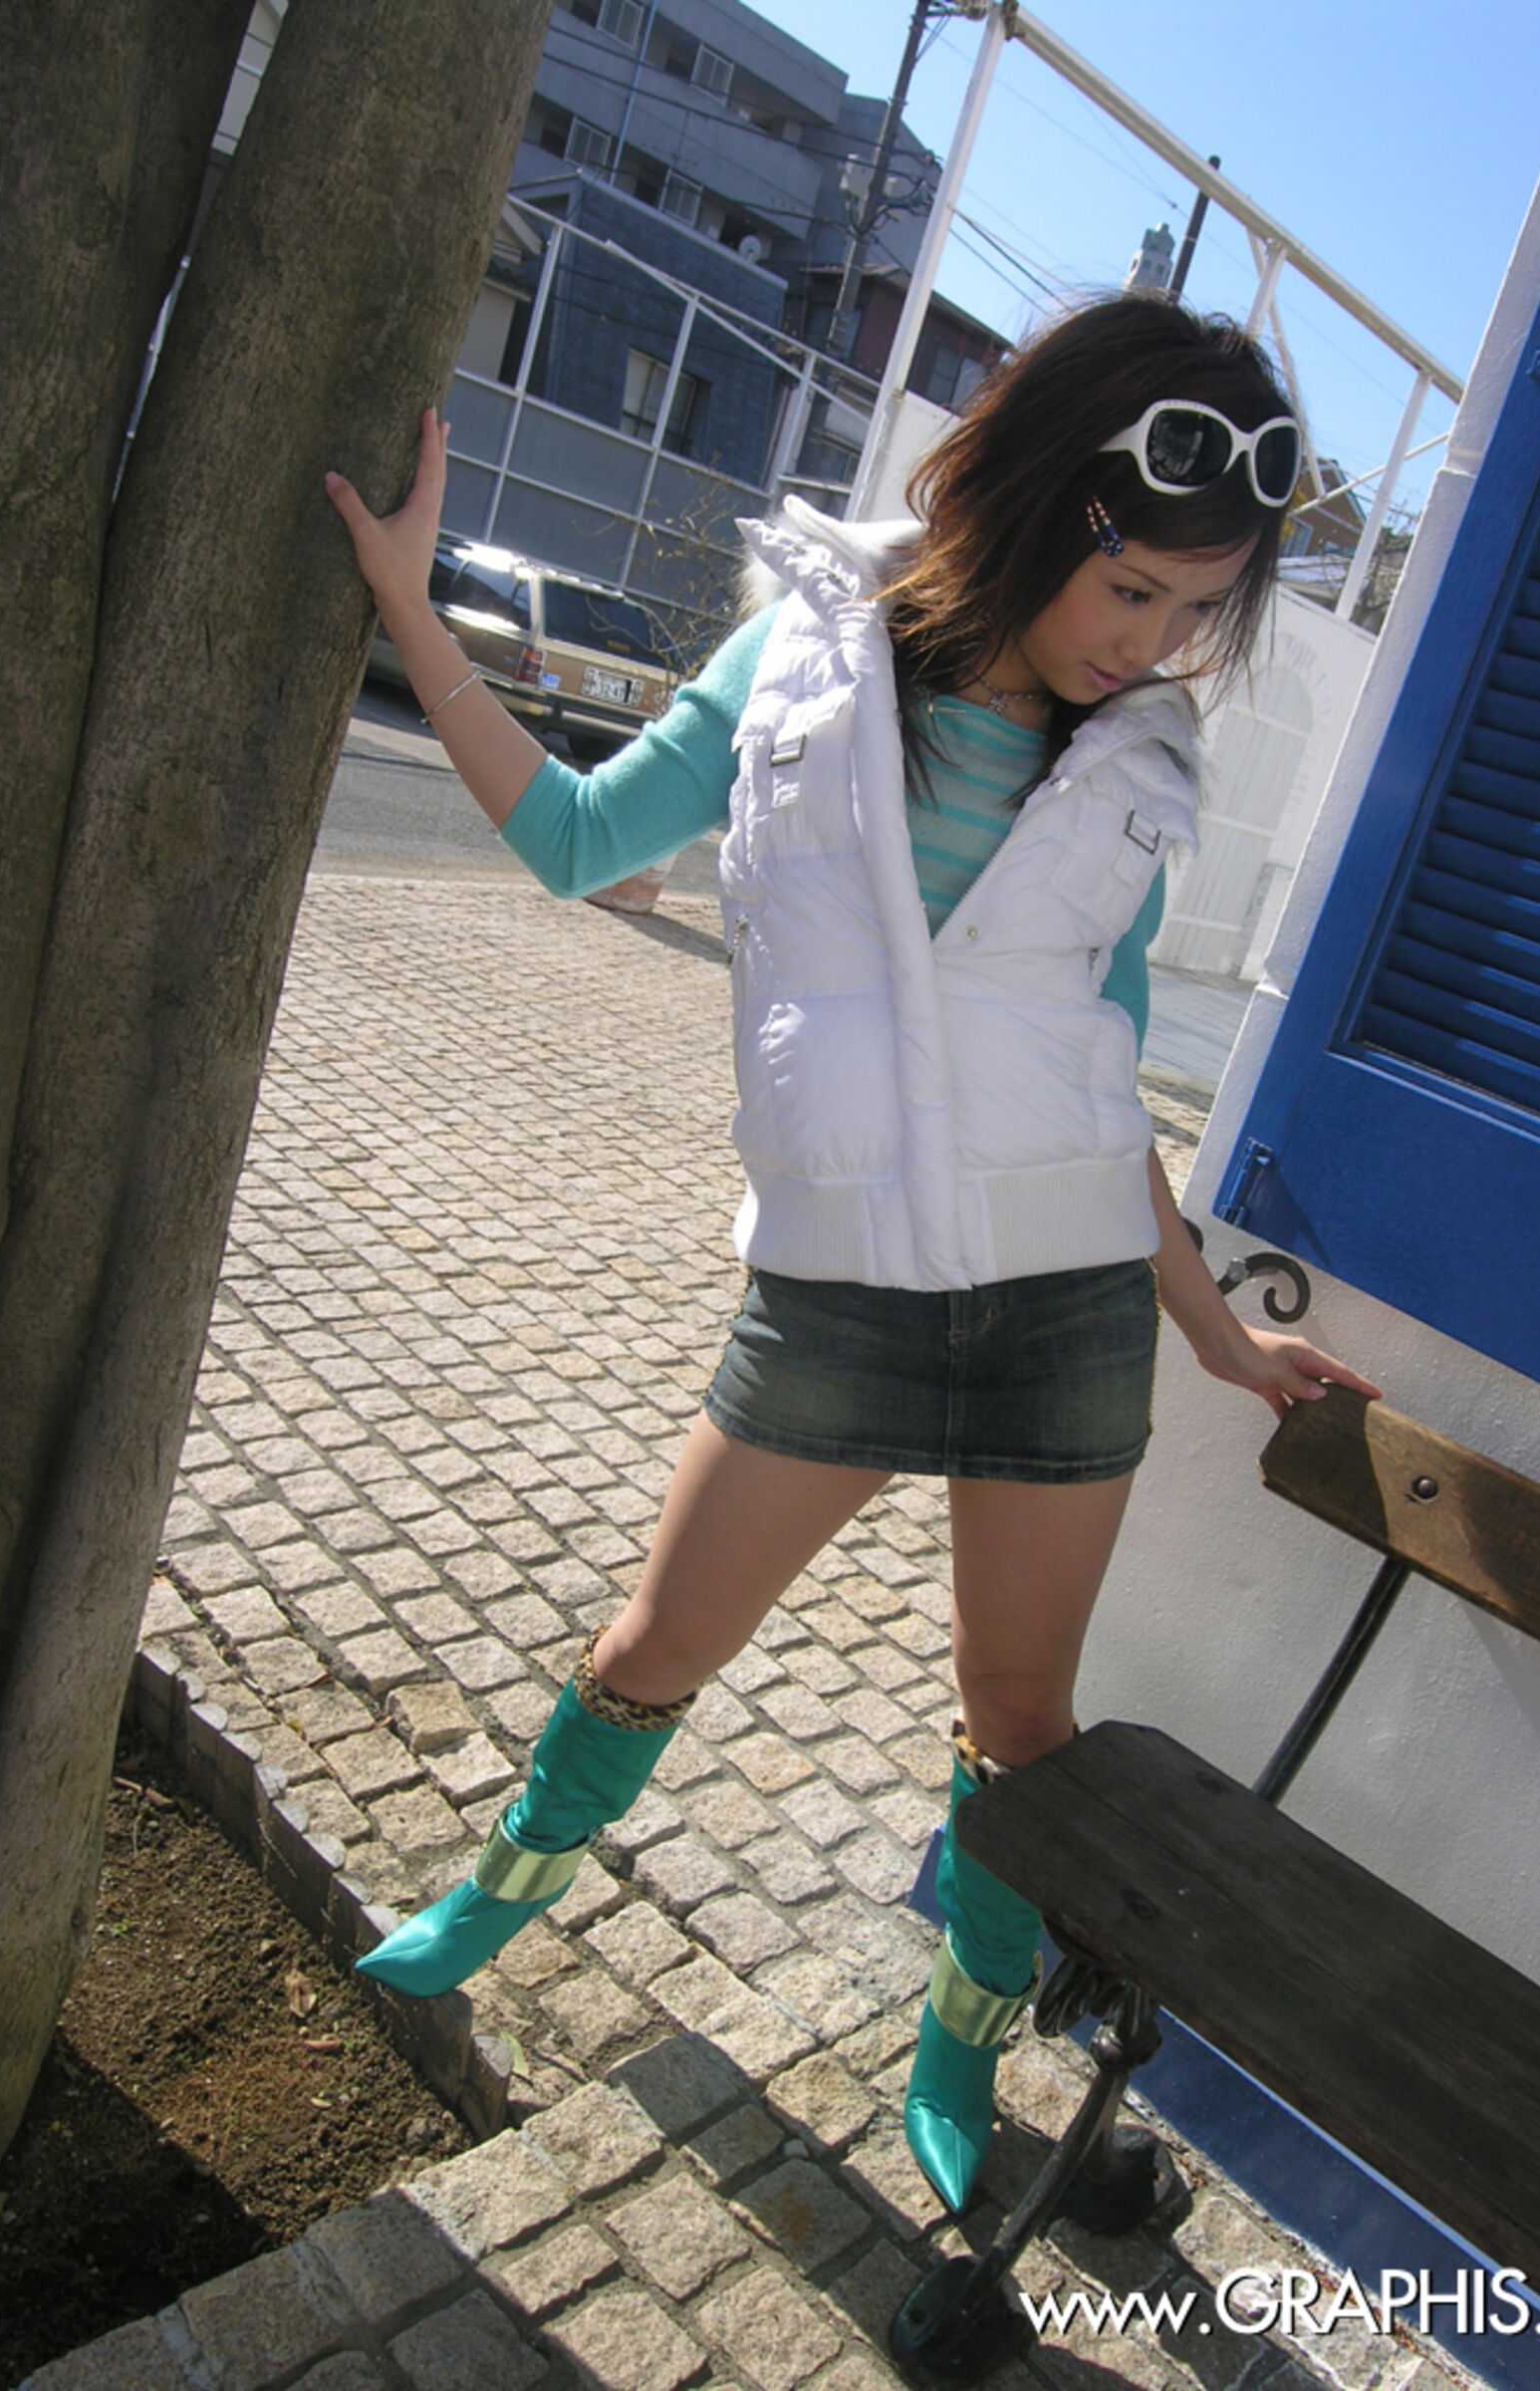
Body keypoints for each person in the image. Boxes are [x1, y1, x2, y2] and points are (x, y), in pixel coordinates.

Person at [323, 291, 1382, 2215]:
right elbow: (578, 840)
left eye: (1189, 612)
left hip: (1061, 1314)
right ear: (1043, 502)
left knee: (1022, 1728)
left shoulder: (1138, 761)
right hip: (838, 1295)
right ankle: (496, 1895)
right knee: (655, 1643)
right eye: (1129, 587)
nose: (1145, 643)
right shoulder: (805, 660)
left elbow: (1102, 1081)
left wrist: (1216, 1336)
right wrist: (413, 610)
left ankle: (957, 2061)